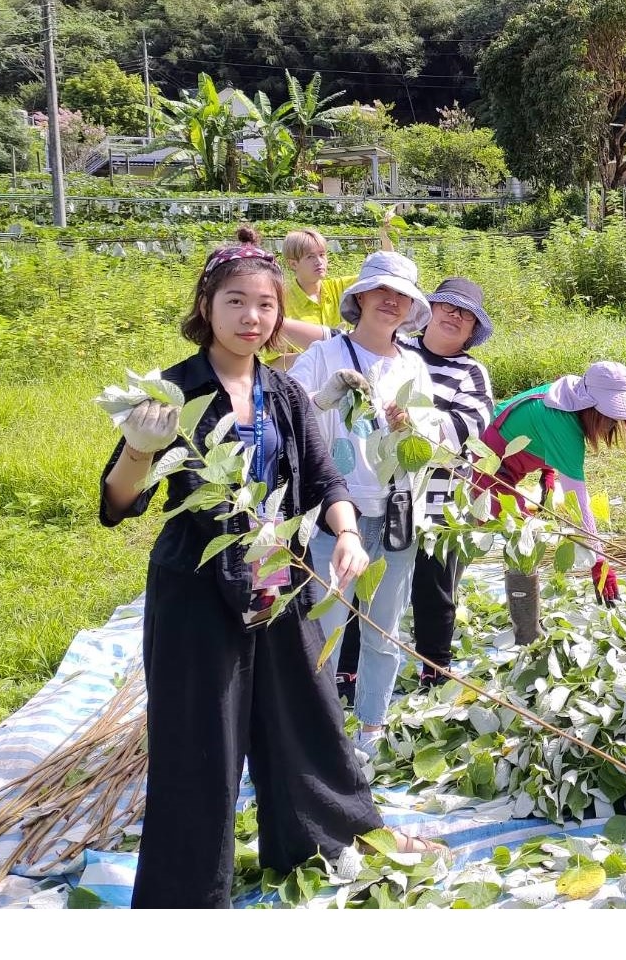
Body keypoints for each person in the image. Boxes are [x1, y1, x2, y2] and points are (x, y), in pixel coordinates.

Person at [97, 228, 437, 909]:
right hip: (196, 583)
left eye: (264, 305)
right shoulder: (176, 389)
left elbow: (320, 478)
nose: (252, 318)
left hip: (276, 574)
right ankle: (185, 897)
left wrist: (346, 535)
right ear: (206, 306)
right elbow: (117, 502)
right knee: (200, 741)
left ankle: (326, 841)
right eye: (236, 303)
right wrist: (139, 449)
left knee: (306, 716)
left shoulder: (281, 392)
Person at [288, 251, 438, 757]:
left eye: (401, 296)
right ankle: (320, 731)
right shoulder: (326, 357)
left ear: (412, 308)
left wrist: (411, 430)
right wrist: (326, 397)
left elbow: (431, 443)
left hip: (396, 514)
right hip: (338, 512)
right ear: (359, 298)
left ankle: (371, 727)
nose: (390, 302)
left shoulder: (414, 365)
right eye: (381, 292)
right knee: (327, 629)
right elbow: (290, 422)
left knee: (384, 628)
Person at [336, 279, 496, 697]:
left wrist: (417, 426)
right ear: (427, 311)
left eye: (465, 315)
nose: (454, 317)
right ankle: (348, 668)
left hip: (439, 500)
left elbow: (464, 429)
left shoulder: (472, 373)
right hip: (378, 493)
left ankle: (434, 665)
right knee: (363, 580)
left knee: (434, 585)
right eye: (447, 307)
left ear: (471, 331)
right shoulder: (395, 351)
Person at [470, 362, 626, 647]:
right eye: (611, 415)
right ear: (591, 405)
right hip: (483, 467)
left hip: (507, 462)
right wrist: (599, 562)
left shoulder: (569, 395)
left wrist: (547, 472)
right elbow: (578, 503)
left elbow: (531, 426)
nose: (615, 423)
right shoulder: (562, 422)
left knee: (520, 532)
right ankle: (526, 636)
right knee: (521, 539)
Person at [277, 210, 396, 350]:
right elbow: (276, 361)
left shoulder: (339, 288)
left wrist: (385, 235)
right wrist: (322, 357)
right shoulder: (282, 303)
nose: (319, 262)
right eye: (310, 257)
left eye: (322, 255)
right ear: (293, 264)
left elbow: (384, 272)